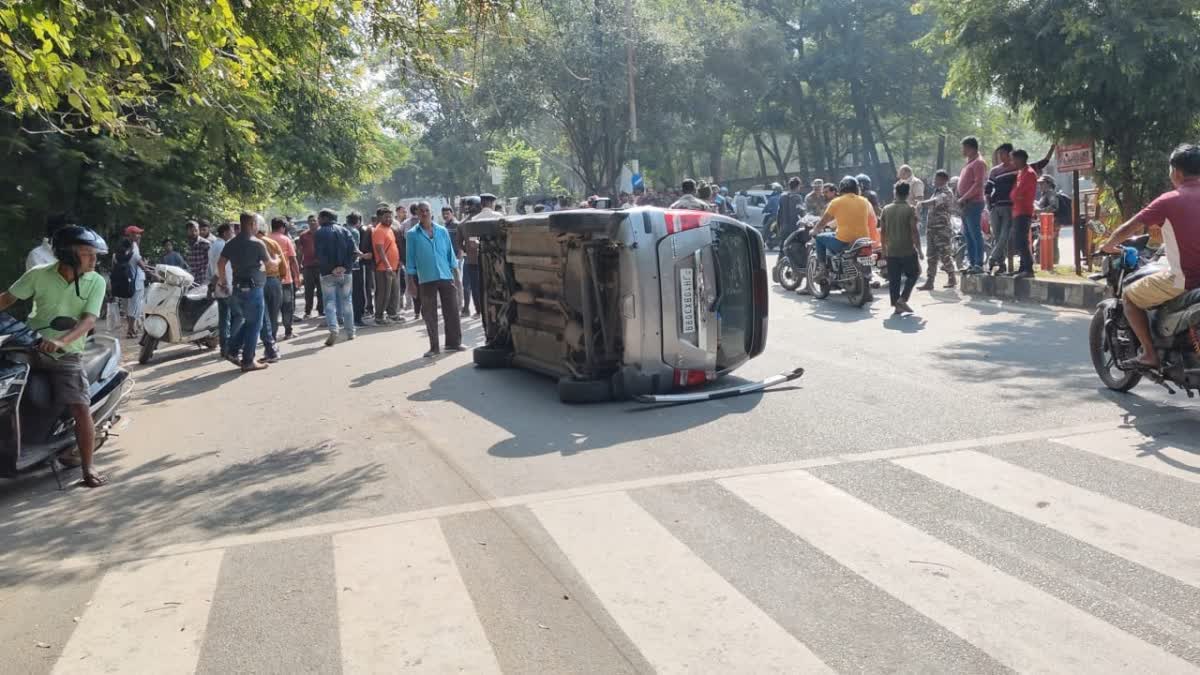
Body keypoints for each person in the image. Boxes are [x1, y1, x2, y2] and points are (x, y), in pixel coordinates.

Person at [0, 226, 109, 487]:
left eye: (95, 254)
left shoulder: (96, 281)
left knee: (80, 407)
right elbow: (6, 300)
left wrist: (61, 341)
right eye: (87, 254)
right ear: (68, 254)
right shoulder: (38, 275)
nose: (94, 260)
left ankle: (88, 466)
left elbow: (88, 320)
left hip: (65, 353)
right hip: (28, 344)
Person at [1100, 144, 1200, 369]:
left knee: (1129, 296)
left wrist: (1108, 245)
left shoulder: (1169, 200)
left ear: (1176, 172)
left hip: (1186, 280)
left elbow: (1130, 227)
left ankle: (1148, 353)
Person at [217, 213, 277, 371]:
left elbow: (221, 263)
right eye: (256, 224)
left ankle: (232, 350)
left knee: (249, 322)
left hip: (237, 289)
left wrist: (223, 281)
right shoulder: (257, 243)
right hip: (253, 289)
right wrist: (276, 259)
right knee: (254, 325)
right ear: (252, 224)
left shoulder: (231, 243)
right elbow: (270, 266)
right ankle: (248, 360)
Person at [406, 201, 463, 357]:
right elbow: (410, 260)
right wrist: (410, 282)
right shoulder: (412, 234)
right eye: (421, 211)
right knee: (429, 313)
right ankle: (434, 347)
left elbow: (450, 254)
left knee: (451, 310)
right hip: (426, 278)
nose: (424, 213)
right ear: (417, 214)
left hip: (446, 275)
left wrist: (455, 273)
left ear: (431, 212)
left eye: (427, 210)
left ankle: (454, 343)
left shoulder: (442, 231)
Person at [315, 208, 359, 346]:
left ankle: (334, 329)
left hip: (328, 274)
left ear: (324, 218)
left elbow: (320, 254)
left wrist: (332, 269)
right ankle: (350, 332)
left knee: (329, 302)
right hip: (346, 273)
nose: (318, 220)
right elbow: (354, 251)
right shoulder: (345, 231)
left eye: (319, 218)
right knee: (347, 301)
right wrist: (344, 267)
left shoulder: (319, 233)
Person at [880, 182, 924, 314]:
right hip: (907, 250)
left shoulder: (886, 209)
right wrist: (920, 249)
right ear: (908, 194)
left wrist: (883, 248)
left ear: (895, 193)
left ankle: (897, 304)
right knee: (915, 273)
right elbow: (914, 231)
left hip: (891, 250)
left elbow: (882, 231)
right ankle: (902, 299)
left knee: (894, 279)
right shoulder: (910, 209)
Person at [813, 176, 872, 268]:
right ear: (856, 188)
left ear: (841, 188)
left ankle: (822, 268)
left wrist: (815, 230)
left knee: (819, 238)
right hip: (863, 240)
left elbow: (824, 220)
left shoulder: (836, 202)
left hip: (844, 241)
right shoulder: (864, 201)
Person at [917, 170, 958, 290]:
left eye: (936, 179)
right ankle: (930, 281)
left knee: (945, 254)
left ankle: (952, 277)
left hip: (941, 229)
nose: (934, 181)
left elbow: (935, 202)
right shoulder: (936, 191)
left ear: (943, 180)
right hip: (932, 228)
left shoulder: (946, 192)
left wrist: (922, 203)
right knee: (931, 255)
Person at [957, 136, 989, 275]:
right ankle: (971, 263)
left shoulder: (979, 163)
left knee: (975, 234)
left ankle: (978, 263)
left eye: (964, 148)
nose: (962, 151)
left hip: (973, 203)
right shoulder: (969, 163)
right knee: (968, 235)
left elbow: (978, 184)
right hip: (965, 204)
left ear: (970, 148)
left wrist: (964, 197)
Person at [985, 144, 1017, 275]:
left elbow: (1039, 164)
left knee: (1004, 236)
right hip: (995, 207)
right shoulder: (995, 171)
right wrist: (989, 204)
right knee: (998, 237)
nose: (1001, 156)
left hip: (1009, 207)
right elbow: (988, 189)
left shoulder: (1017, 168)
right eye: (999, 154)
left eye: (1003, 153)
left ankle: (992, 259)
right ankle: (1002, 265)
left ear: (1010, 154)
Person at [113, 225, 149, 339]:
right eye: (136, 233)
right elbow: (140, 263)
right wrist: (153, 274)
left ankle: (131, 329)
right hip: (135, 282)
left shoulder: (120, 248)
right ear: (130, 235)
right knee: (135, 306)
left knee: (128, 306)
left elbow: (114, 262)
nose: (139, 236)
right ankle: (130, 329)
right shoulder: (133, 247)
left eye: (139, 233)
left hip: (124, 281)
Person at [254, 220, 287, 343]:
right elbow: (283, 264)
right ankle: (272, 337)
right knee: (274, 312)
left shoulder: (249, 244)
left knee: (263, 313)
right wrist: (281, 276)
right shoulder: (272, 243)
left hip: (257, 282)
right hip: (273, 281)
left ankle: (266, 338)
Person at [209, 222, 238, 357]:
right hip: (226, 285)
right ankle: (229, 346)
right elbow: (222, 267)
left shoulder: (214, 245)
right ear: (226, 232)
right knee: (235, 316)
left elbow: (214, 269)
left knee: (224, 318)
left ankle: (224, 346)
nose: (233, 233)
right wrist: (225, 284)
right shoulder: (223, 246)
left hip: (219, 285)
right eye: (231, 231)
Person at [1008, 149, 1039, 279]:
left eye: (1013, 159)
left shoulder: (1029, 173)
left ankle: (1028, 268)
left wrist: (1016, 197)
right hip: (1017, 210)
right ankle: (1022, 268)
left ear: (1020, 159)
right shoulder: (1021, 173)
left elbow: (1021, 192)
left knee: (1021, 240)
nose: (1012, 162)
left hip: (1024, 210)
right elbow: (1015, 192)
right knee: (1018, 240)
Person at [269, 217, 300, 339]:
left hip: (270, 279)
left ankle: (272, 335)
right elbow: (293, 260)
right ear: (282, 227)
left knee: (272, 308)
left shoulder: (265, 239)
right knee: (287, 306)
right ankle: (288, 332)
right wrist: (297, 276)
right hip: (285, 279)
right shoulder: (286, 239)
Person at [372, 206, 403, 324]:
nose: (389, 219)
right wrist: (388, 266)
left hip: (394, 267)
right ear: (380, 218)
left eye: (390, 217)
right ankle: (379, 317)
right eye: (386, 217)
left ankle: (393, 314)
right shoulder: (379, 230)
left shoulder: (389, 229)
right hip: (384, 268)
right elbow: (380, 250)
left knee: (394, 292)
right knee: (383, 293)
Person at [296, 214, 323, 318]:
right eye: (310, 221)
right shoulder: (303, 235)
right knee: (308, 290)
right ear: (307, 223)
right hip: (308, 266)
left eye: (314, 220)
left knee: (321, 290)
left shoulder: (322, 234)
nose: (312, 222)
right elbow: (299, 252)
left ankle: (321, 310)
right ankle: (308, 311)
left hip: (321, 266)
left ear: (318, 222)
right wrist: (298, 266)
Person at [777, 177, 807, 243]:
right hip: (794, 227)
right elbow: (801, 212)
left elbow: (779, 213)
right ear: (798, 186)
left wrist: (779, 226)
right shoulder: (797, 198)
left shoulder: (782, 196)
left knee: (783, 244)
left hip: (784, 226)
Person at [185, 220, 211, 284]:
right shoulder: (188, 245)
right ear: (187, 232)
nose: (194, 233)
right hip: (192, 280)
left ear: (199, 230)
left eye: (195, 230)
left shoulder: (205, 243)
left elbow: (212, 262)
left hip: (203, 279)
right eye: (191, 231)